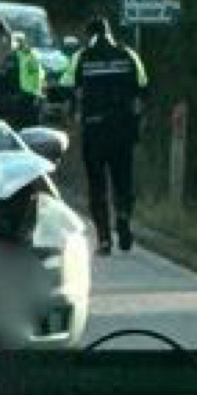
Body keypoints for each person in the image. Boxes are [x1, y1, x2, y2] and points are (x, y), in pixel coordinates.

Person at [66, 16, 147, 254]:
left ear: (89, 34)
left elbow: (67, 87)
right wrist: (138, 119)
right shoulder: (128, 54)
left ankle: (103, 238)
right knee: (124, 181)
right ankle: (122, 217)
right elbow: (143, 87)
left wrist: (74, 116)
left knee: (97, 185)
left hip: (94, 130)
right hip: (122, 129)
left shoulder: (82, 57)